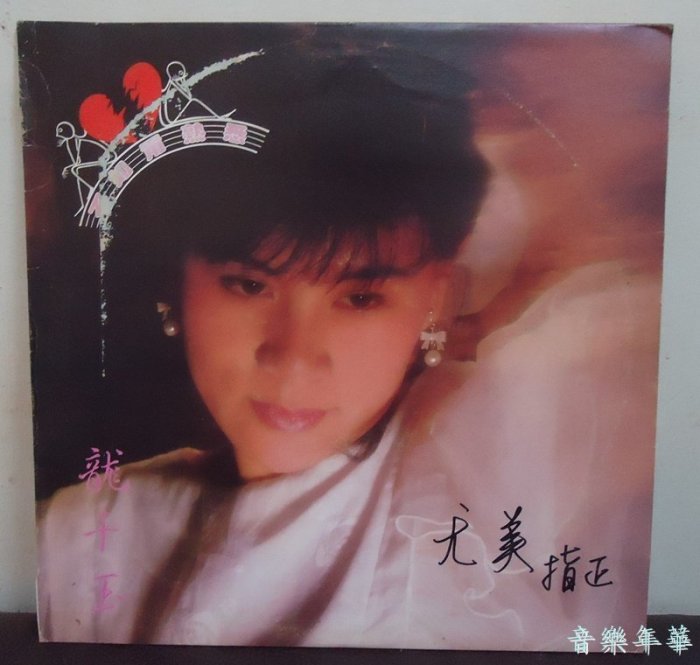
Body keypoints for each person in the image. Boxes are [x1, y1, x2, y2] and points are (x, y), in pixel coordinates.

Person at [35, 40, 657, 650]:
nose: (293, 356)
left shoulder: (486, 473)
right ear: (179, 282)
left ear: (437, 299)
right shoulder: (84, 538)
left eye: (360, 298)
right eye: (248, 284)